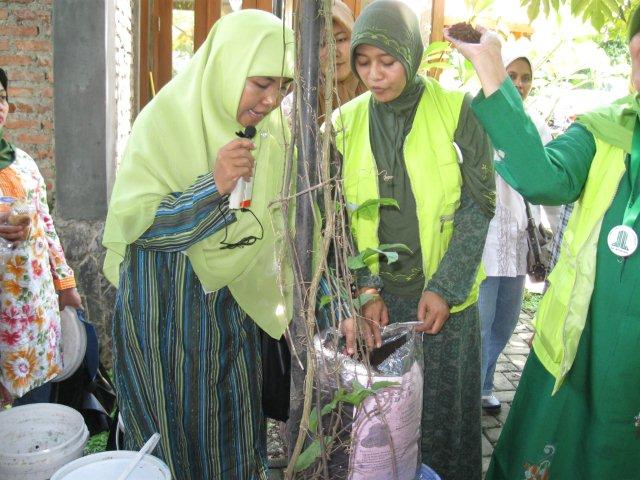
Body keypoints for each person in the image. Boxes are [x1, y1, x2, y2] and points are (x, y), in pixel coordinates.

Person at [102, 11, 295, 480]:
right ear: (229, 66)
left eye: (284, 88)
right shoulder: (164, 122)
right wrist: (212, 186)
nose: (271, 100)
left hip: (233, 318)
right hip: (166, 317)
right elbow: (137, 227)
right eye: (262, 83)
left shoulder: (272, 134)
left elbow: (278, 220)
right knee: (170, 437)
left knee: (231, 435)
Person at [447, 9, 640, 479]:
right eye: (637, 59)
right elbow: (542, 177)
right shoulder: (606, 129)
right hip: (580, 341)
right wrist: (491, 69)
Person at [333, 2, 495, 478]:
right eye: (363, 63)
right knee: (383, 421)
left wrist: (445, 286)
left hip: (444, 301)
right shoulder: (341, 125)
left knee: (446, 420)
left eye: (387, 62)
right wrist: (364, 289)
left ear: (412, 53)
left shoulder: (457, 111)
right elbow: (336, 222)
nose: (374, 76)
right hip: (377, 303)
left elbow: (479, 203)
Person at [0, 67, 82, 407]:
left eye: (2, 98)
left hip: (36, 310)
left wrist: (66, 286)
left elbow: (46, 227)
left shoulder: (23, 163)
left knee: (36, 408)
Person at [478, 53, 553, 413]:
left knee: (505, 324)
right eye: (511, 75)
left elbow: (548, 180)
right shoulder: (477, 116)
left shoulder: (534, 123)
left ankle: (483, 382)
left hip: (518, 243)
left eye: (525, 77)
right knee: (480, 322)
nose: (519, 84)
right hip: (484, 243)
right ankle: (475, 388)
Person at [317, 0, 367, 122]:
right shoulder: (302, 98)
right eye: (322, 43)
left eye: (340, 39)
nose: (334, 53)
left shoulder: (375, 85)